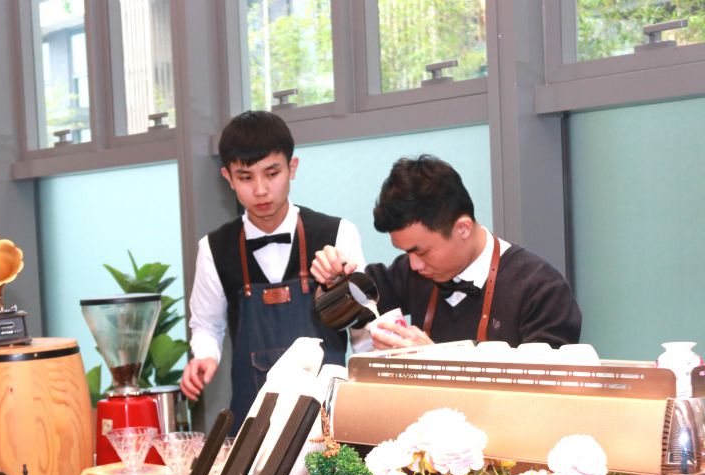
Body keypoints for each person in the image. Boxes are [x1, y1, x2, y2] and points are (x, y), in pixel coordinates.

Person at [180, 110, 368, 427]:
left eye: (271, 173)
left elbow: (364, 332)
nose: (260, 189)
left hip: (328, 419)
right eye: (245, 177)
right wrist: (205, 356)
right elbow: (206, 325)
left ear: (292, 168)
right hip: (252, 419)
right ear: (228, 177)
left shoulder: (337, 234)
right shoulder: (214, 248)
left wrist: (345, 290)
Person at [311, 155, 581, 349]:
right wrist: (333, 282)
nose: (414, 265)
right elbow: (340, 314)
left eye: (422, 252)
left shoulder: (540, 289)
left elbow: (542, 394)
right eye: (405, 253)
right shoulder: (410, 272)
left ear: (463, 228)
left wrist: (436, 360)